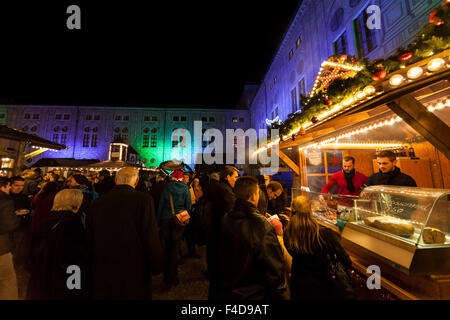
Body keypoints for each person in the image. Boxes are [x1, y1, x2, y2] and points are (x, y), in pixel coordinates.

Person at [87, 167, 162, 299]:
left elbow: (90, 234)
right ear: (136, 181)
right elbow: (149, 234)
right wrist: (156, 264)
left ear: (116, 180)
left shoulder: (98, 202)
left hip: (104, 261)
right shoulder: (144, 200)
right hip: (133, 262)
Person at [219, 176, 287, 300]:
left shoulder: (226, 218)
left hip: (229, 290)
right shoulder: (262, 226)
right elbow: (275, 268)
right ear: (254, 196)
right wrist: (278, 293)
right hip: (255, 293)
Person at [284, 196, 354, 300]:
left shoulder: (287, 232)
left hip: (298, 284)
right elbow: (346, 261)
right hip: (323, 287)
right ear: (310, 211)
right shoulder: (325, 234)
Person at [27, 189, 88, 300]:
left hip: (43, 275)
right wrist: (76, 284)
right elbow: (75, 257)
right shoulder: (73, 223)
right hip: (64, 277)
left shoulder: (46, 220)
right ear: (77, 203)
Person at [203, 165, 238, 300]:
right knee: (220, 272)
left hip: (213, 230)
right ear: (227, 177)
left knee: (214, 265)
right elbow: (232, 214)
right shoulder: (226, 191)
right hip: (220, 232)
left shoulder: (216, 187)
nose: (237, 179)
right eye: (235, 177)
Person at [157, 170, 192, 289]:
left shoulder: (167, 188)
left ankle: (166, 277)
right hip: (179, 220)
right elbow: (188, 206)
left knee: (166, 247)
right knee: (175, 247)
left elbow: (161, 205)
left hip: (166, 219)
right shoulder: (185, 188)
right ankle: (174, 277)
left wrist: (158, 221)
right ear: (182, 178)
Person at [0, 177, 20, 299]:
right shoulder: (5, 201)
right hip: (1, 248)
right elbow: (9, 225)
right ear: (5, 186)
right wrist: (16, 218)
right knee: (7, 280)